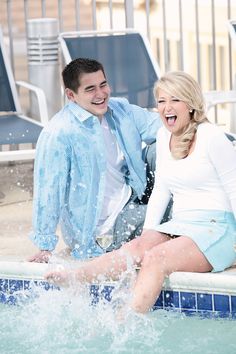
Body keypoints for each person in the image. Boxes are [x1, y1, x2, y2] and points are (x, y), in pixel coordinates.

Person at [45, 71, 236, 314]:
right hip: (181, 225)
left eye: (175, 100)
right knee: (136, 248)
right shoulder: (164, 135)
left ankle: (125, 322)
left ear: (190, 104)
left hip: (218, 229)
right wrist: (148, 234)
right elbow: (161, 191)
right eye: (161, 101)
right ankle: (77, 276)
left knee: (156, 259)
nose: (166, 107)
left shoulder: (212, 137)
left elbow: (234, 189)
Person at [29, 57, 162, 263]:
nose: (101, 94)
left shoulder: (119, 110)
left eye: (103, 85)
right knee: (170, 215)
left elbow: (164, 127)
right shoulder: (59, 133)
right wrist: (45, 246)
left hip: (133, 196)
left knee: (165, 145)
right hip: (105, 229)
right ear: (71, 95)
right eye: (90, 89)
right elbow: (49, 190)